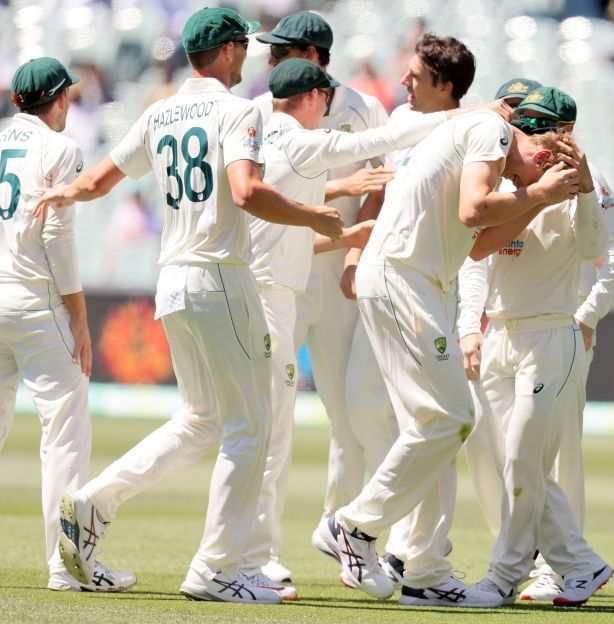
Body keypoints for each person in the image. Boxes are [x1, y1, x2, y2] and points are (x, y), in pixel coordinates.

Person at [36, 8, 342, 605]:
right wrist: (312, 215)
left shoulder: (160, 109)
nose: (249, 55)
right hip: (222, 278)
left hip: (171, 280)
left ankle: (93, 503)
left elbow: (100, 180)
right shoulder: (237, 111)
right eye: (243, 47)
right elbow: (247, 192)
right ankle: (215, 568)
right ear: (226, 51)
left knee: (202, 419)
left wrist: (63, 192)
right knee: (250, 428)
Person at [313, 107, 583, 607]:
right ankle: (353, 525)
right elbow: (474, 212)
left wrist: (537, 200)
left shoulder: (484, 140)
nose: (515, 183)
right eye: (528, 177)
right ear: (541, 154)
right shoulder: (491, 130)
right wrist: (540, 193)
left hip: (414, 282)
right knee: (453, 417)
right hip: (402, 278)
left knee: (435, 426)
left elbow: (480, 246)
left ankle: (426, 571)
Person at [240, 57, 458, 600]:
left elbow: (290, 224)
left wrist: (341, 230)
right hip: (271, 299)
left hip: (274, 291)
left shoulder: (260, 134)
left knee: (348, 414)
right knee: (252, 430)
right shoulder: (294, 138)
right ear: (314, 95)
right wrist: (472, 114)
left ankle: (340, 533)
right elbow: (381, 140)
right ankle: (242, 559)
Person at [460, 86, 614, 603]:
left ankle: (505, 574)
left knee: (526, 457)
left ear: (565, 134)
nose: (533, 140)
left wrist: (580, 191)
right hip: (500, 334)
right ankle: (578, 564)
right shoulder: (504, 169)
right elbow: (480, 255)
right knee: (507, 459)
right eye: (526, 127)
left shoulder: (585, 179)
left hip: (550, 332)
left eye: (543, 129)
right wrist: (471, 324)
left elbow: (597, 247)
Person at [0, 57, 134, 593]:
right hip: (36, 301)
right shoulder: (61, 149)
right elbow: (58, 239)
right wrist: (79, 316)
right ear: (58, 100)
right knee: (64, 438)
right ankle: (67, 565)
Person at [252, 11, 393, 584]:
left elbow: (382, 184)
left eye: (279, 51)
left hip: (340, 274)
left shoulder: (363, 110)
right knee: (270, 416)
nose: (267, 61)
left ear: (312, 55)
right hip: (282, 269)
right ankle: (260, 553)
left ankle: (343, 533)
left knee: (349, 414)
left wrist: (357, 256)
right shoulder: (262, 109)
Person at [341, 32, 478, 587]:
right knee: (425, 422)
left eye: (417, 76)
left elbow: (471, 215)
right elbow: (379, 191)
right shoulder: (405, 121)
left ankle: (416, 557)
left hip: (429, 286)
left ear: (446, 86)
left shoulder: (467, 133)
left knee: (437, 424)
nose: (404, 83)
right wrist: (354, 250)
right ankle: (414, 557)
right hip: (395, 283)